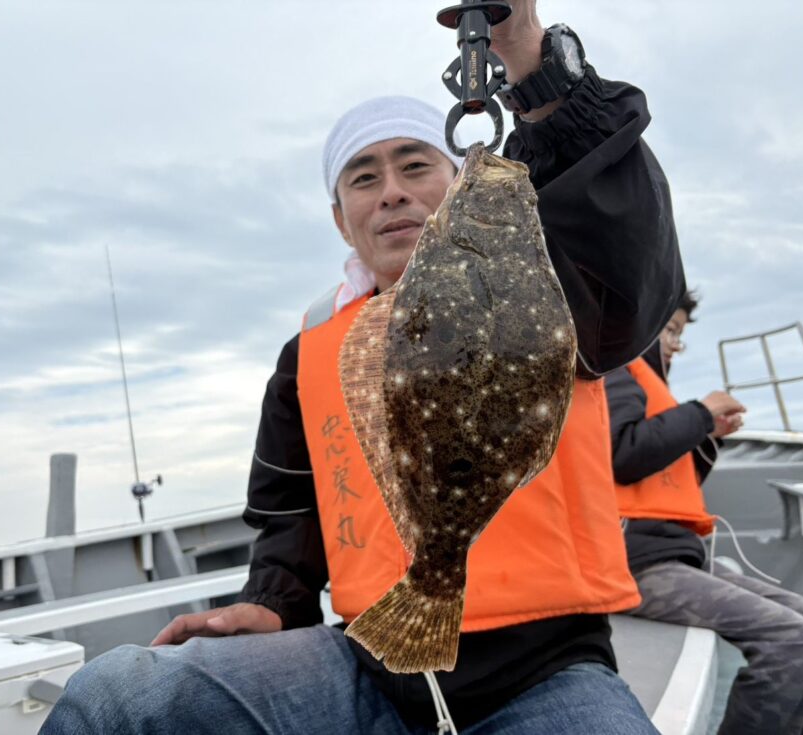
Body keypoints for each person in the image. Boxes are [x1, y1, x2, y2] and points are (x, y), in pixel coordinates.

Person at [41, 2, 684, 732]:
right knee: (120, 696)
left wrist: (530, 60)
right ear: (341, 217)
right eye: (363, 178)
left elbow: (627, 250)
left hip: (546, 669)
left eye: (415, 165)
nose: (392, 192)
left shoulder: (546, 282)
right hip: (364, 662)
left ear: (462, 175)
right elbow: (292, 511)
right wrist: (276, 599)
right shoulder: (309, 351)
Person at [606, 290, 803, 735]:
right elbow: (622, 454)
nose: (673, 344)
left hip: (668, 552)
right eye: (669, 330)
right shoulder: (614, 369)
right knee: (792, 638)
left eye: (679, 335)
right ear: (642, 322)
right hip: (633, 564)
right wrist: (701, 413)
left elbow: (660, 482)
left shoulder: (650, 387)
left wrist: (709, 432)